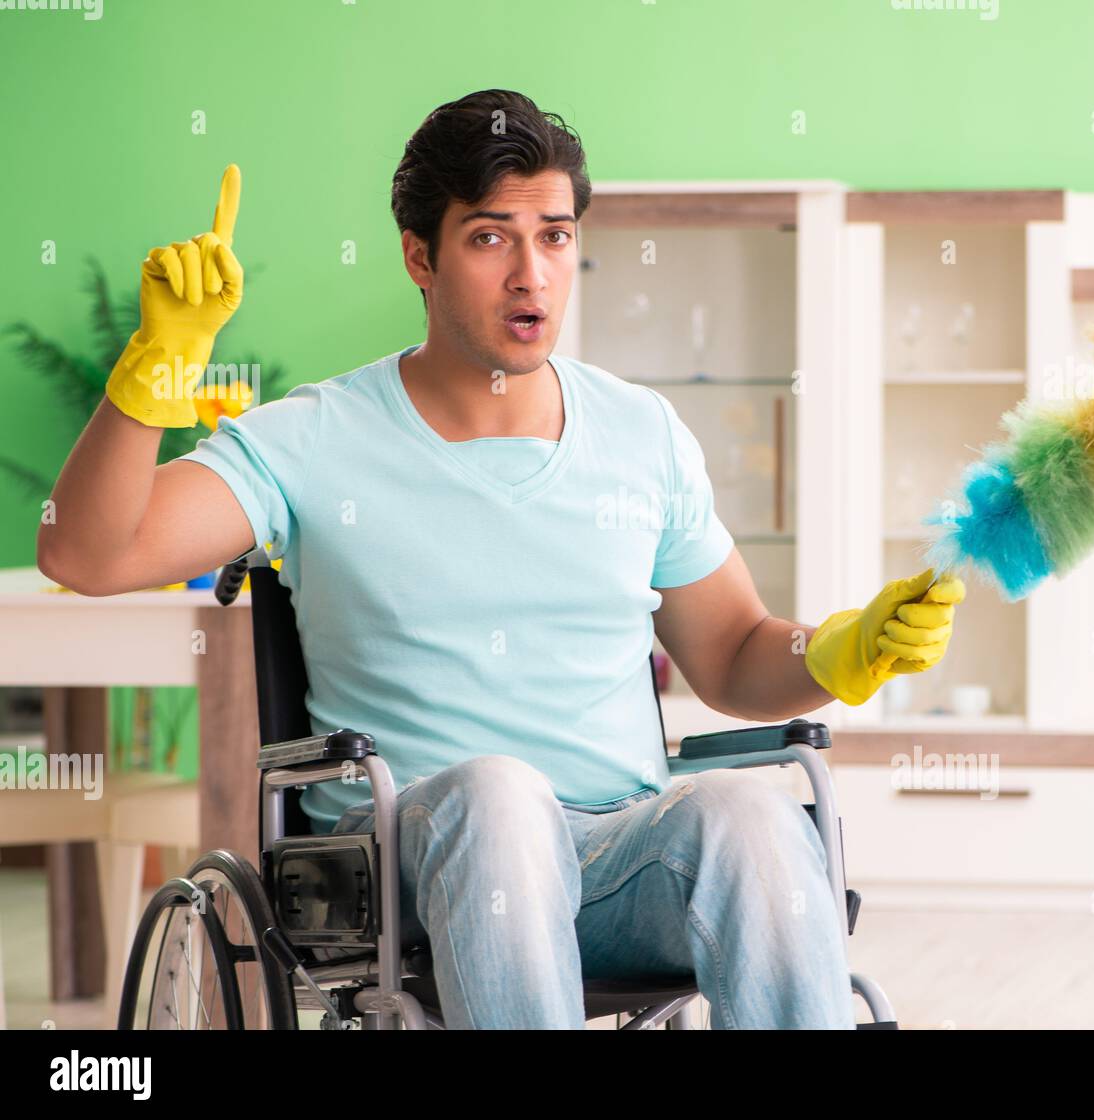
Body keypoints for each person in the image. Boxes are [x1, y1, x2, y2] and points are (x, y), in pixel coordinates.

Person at [36, 88, 964, 1029]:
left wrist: (840, 650)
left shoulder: (641, 433)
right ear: (419, 257)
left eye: (554, 237)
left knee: (751, 812)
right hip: (405, 864)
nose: (532, 275)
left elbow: (729, 653)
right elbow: (87, 554)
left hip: (618, 861)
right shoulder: (314, 438)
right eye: (490, 238)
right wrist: (160, 363)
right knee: (501, 793)